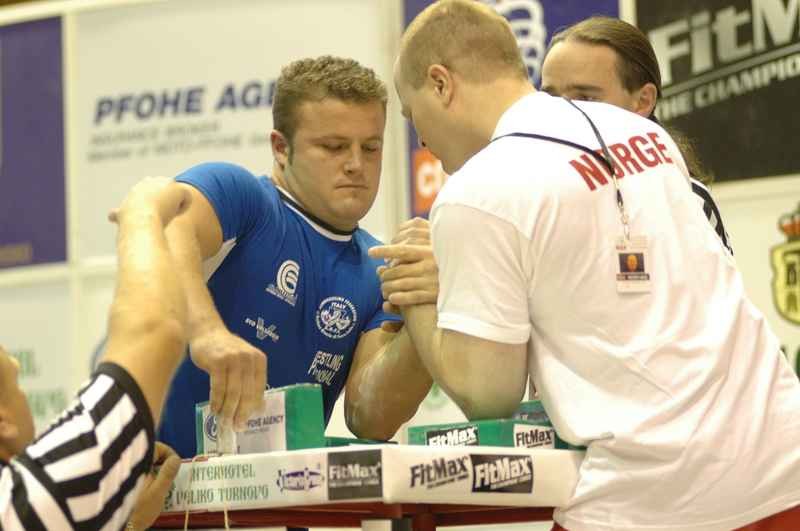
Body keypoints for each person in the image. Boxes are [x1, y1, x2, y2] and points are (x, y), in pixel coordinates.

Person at [373, 1, 800, 530]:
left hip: (651, 499)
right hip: (782, 465)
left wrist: (419, 296)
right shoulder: (645, 135)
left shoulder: (475, 191)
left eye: (414, 116)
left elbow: (489, 394)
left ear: (440, 83)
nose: (423, 142)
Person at [149, 55, 433, 458]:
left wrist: (431, 304)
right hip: (154, 496)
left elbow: (371, 419)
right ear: (281, 149)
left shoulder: (378, 266)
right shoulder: (242, 197)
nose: (356, 165)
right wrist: (207, 332)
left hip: (274, 504)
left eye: (371, 147)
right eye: (334, 147)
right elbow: (163, 226)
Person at [1, 178, 190, 529]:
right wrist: (142, 212)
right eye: (16, 385)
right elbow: (154, 330)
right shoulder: (29, 501)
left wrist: (124, 521)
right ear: (3, 424)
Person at [541, 16, 733, 255]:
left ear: (643, 101)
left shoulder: (686, 200)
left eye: (586, 98)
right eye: (550, 97)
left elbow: (714, 293)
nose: (562, 111)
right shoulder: (524, 194)